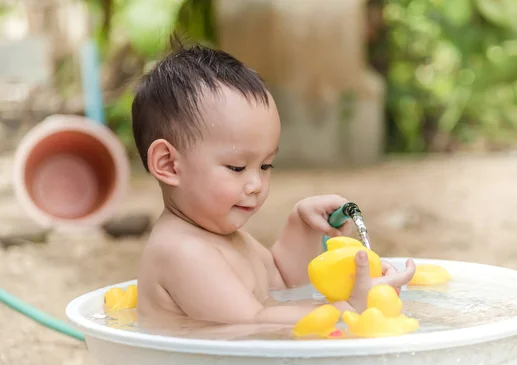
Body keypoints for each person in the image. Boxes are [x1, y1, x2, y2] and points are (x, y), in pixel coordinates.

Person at [133, 38, 416, 327]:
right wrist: (353, 306)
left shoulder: (225, 237)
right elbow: (255, 324)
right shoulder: (182, 252)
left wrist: (302, 225)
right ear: (168, 164)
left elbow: (282, 282)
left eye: (266, 165)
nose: (256, 183)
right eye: (237, 167)